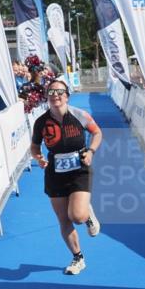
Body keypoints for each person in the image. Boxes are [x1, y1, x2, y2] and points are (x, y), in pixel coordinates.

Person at [30, 79, 103, 275]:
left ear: (67, 96)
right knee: (64, 219)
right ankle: (78, 258)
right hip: (55, 173)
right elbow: (35, 147)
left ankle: (87, 215)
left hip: (80, 169)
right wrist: (38, 158)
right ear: (47, 97)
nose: (56, 95)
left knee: (77, 216)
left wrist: (91, 152)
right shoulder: (41, 122)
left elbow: (97, 133)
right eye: (51, 92)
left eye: (60, 92)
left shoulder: (80, 115)